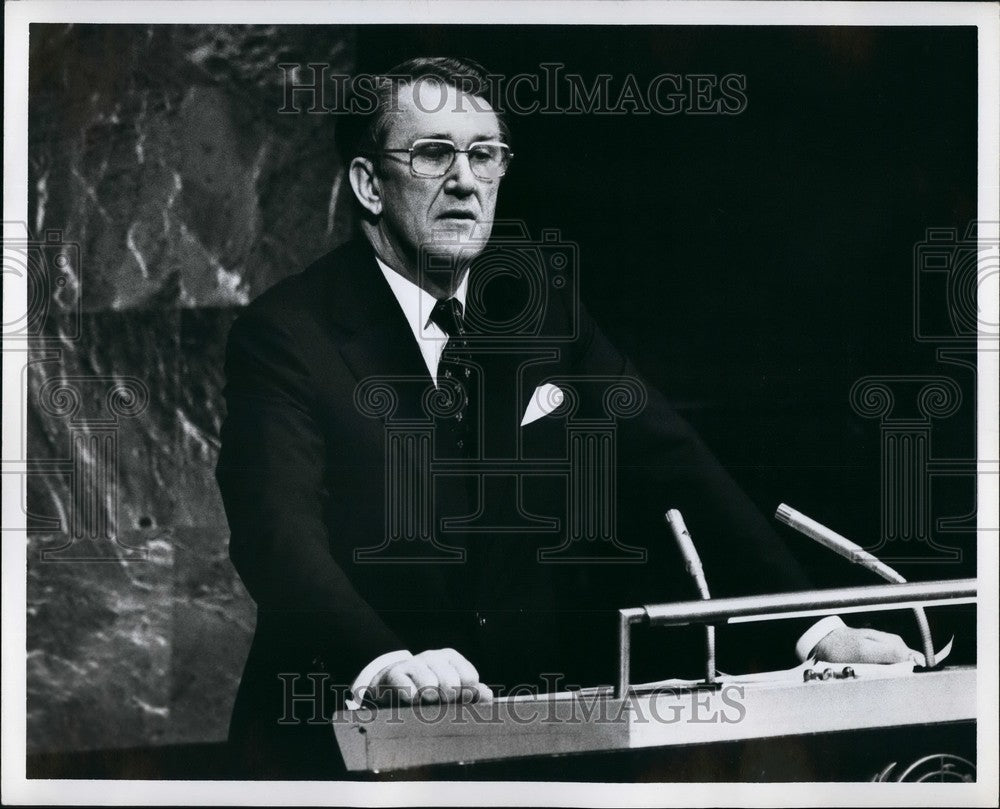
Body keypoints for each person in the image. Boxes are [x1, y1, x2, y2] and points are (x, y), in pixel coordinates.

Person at [215, 56, 924, 778]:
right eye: (434, 153)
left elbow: (672, 465)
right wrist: (384, 658)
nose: (466, 179)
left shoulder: (539, 311)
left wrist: (814, 627)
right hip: (335, 748)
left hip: (517, 742)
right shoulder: (287, 334)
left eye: (485, 155)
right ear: (369, 183)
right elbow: (278, 533)